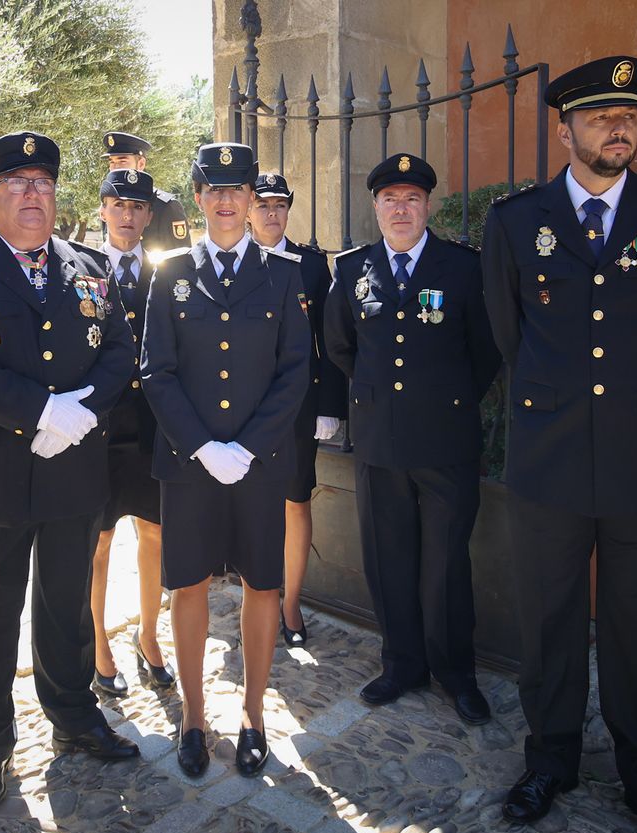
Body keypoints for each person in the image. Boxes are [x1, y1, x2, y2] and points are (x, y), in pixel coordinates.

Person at [481, 56, 637, 833]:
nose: (620, 127)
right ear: (565, 129)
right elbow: (512, 337)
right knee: (548, 623)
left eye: (630, 114)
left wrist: (630, 401)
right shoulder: (516, 221)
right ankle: (549, 761)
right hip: (547, 459)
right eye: (599, 116)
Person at [0, 131, 140, 813]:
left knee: (67, 602)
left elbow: (119, 352)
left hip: (72, 468)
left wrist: (81, 416)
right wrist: (44, 412)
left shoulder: (89, 267)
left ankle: (73, 714)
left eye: (42, 183)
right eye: (16, 183)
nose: (31, 195)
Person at [141, 142, 309, 778]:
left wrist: (248, 446)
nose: (227, 200)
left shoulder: (283, 274)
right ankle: (192, 714)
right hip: (190, 464)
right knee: (187, 584)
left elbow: (293, 372)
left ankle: (254, 713)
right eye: (214, 189)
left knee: (262, 585)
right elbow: (157, 370)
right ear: (199, 197)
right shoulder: (170, 271)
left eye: (238, 189)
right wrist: (205, 446)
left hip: (259, 464)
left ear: (252, 199)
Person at [324, 153, 501, 725]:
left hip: (446, 437)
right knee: (388, 557)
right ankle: (402, 664)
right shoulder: (353, 270)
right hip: (380, 439)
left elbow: (486, 351)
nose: (401, 209)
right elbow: (341, 345)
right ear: (375, 208)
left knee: (445, 561)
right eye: (389, 200)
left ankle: (455, 672)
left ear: (428, 206)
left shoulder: (463, 268)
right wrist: (382, 398)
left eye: (412, 199)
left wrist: (444, 398)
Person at [246, 172, 345, 649]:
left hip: (297, 407)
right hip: (241, 408)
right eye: (262, 204)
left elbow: (329, 340)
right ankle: (255, 595)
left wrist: (329, 405)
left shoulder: (310, 265)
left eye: (279, 205)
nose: (271, 213)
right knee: (245, 504)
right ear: (247, 208)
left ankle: (291, 604)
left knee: (294, 501)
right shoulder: (231, 261)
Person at [88, 167, 175, 698]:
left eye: (138, 207)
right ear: (102, 210)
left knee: (155, 535)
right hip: (96, 432)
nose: (127, 215)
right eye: (117, 205)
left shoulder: (163, 272)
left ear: (148, 216)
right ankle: (98, 642)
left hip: (148, 430)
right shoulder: (80, 267)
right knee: (97, 544)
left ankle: (149, 635)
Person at [101, 131, 190, 251]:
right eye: (112, 162)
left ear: (141, 163)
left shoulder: (166, 206)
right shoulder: (108, 204)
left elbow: (181, 258)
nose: (115, 168)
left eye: (122, 161)